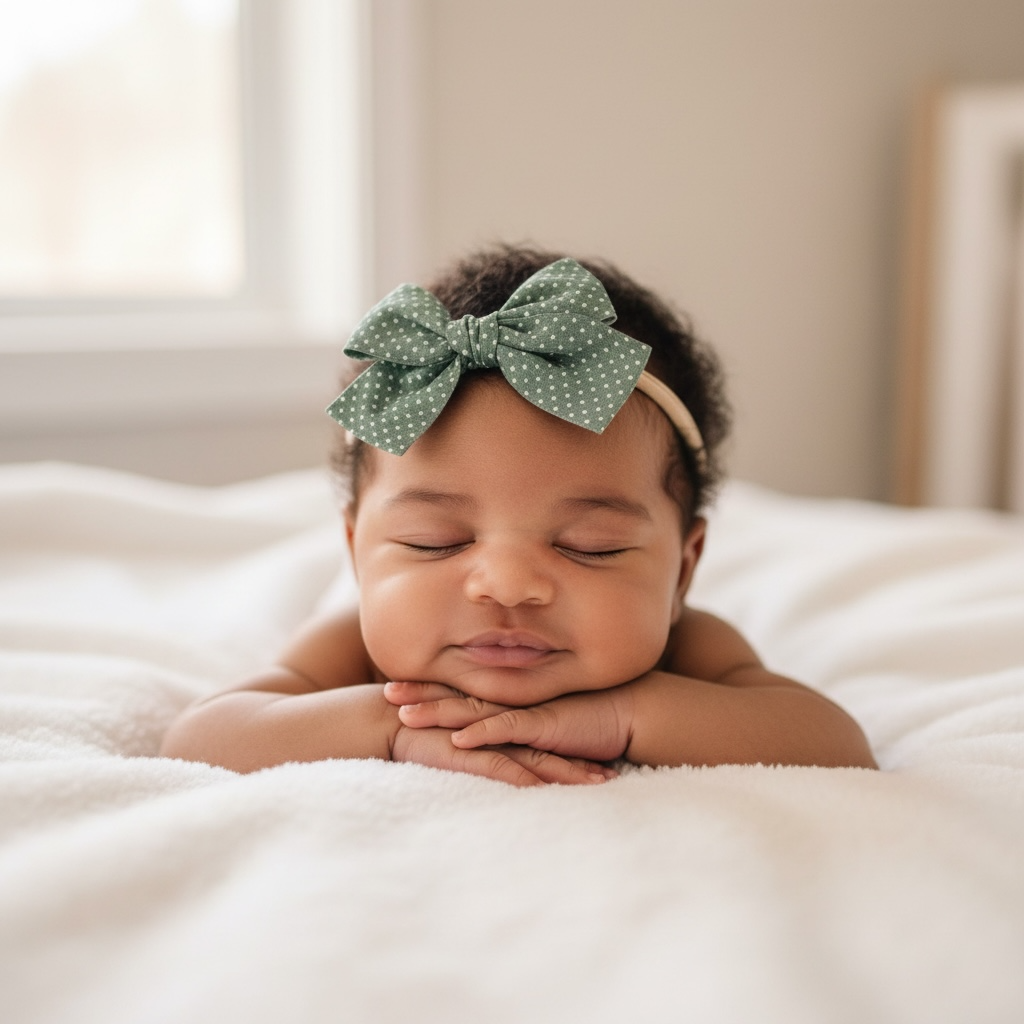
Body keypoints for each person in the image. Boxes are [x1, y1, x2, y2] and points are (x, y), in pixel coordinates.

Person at [160, 245, 877, 784]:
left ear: (682, 571)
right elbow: (202, 738)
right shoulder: (354, 649)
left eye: (591, 545)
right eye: (433, 541)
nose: (506, 585)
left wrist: (628, 715)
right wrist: (388, 724)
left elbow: (833, 743)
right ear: (356, 551)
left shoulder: (685, 650)